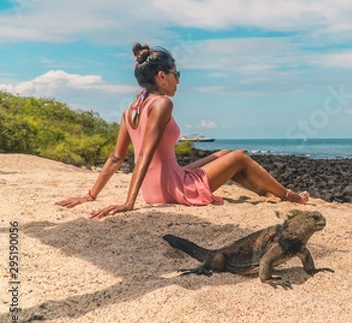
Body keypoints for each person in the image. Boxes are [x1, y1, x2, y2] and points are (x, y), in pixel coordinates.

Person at [56, 43, 309, 219]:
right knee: (240, 156)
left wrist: (90, 196)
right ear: (162, 77)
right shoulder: (162, 104)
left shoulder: (130, 109)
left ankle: (265, 192)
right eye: (176, 74)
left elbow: (116, 157)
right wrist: (128, 203)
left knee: (223, 154)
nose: (178, 80)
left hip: (154, 188)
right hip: (172, 189)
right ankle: (290, 196)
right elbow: (144, 154)